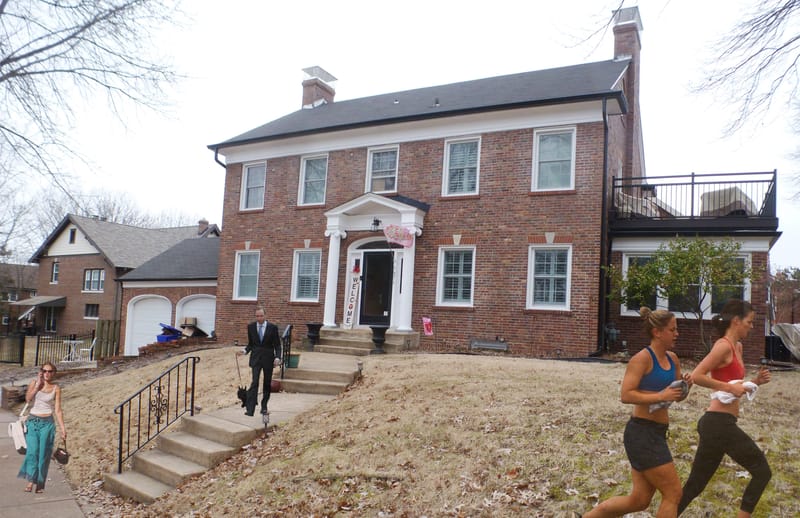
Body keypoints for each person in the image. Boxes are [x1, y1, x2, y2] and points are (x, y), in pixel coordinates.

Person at [584, 308, 691, 518]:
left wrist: (685, 388)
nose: (677, 334)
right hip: (641, 433)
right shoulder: (642, 359)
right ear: (657, 332)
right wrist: (660, 395)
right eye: (672, 330)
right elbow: (626, 395)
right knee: (673, 493)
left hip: (658, 432)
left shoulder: (673, 359)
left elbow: (674, 397)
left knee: (639, 500)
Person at [678, 299, 771, 517]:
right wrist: (729, 388)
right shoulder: (723, 346)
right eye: (749, 322)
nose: (752, 326)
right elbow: (697, 375)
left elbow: (734, 384)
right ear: (736, 321)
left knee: (694, 486)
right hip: (719, 424)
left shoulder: (737, 347)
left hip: (718, 425)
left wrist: (755, 382)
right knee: (762, 471)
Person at [18, 361, 67, 493]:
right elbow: (28, 399)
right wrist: (37, 386)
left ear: (54, 373)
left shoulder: (56, 388)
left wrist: (63, 428)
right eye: (44, 371)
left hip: (47, 424)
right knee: (32, 452)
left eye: (50, 371)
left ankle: (40, 483)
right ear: (41, 372)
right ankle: (30, 481)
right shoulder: (34, 383)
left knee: (44, 454)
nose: (47, 373)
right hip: (33, 421)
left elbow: (58, 410)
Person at [237, 307, 282, 416]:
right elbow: (251, 344)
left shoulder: (272, 328)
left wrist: (277, 357)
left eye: (261, 316)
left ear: (265, 316)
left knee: (266, 383)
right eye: (257, 316)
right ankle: (250, 409)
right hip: (256, 359)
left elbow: (277, 345)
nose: (259, 318)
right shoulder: (251, 327)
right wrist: (244, 351)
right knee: (255, 382)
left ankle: (264, 407)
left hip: (268, 359)